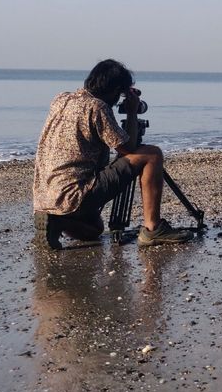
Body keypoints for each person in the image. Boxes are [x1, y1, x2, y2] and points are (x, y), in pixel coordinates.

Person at [32, 59, 193, 249]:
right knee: (152, 155)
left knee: (95, 229)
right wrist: (132, 112)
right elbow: (128, 148)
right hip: (75, 195)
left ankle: (55, 222)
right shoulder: (97, 107)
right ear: (115, 89)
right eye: (121, 93)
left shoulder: (61, 99)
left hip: (45, 198)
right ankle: (153, 228)